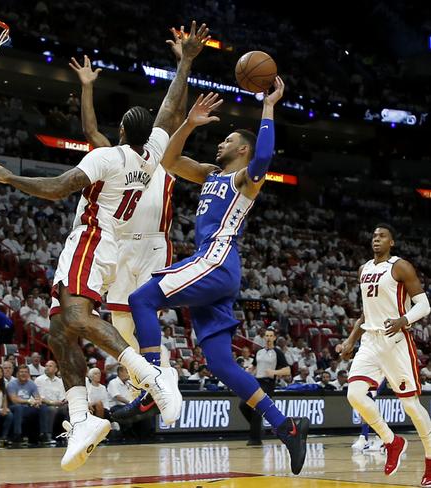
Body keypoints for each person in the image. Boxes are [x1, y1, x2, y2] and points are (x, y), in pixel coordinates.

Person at [0, 21, 211, 471]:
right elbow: (168, 108)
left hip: (98, 240)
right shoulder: (153, 150)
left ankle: (151, 375)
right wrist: (185, 62)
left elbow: (58, 188)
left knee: (80, 318)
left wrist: (10, 178)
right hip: (115, 245)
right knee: (60, 327)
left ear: (122, 130)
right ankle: (81, 418)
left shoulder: (108, 156)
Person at [124, 76, 308, 476]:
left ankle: (153, 386)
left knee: (142, 298)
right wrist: (188, 123)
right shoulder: (211, 174)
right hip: (216, 271)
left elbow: (263, 160)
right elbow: (169, 161)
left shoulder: (245, 180)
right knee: (222, 364)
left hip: (217, 262)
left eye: (226, 140)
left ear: (241, 149)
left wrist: (269, 105)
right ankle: (287, 426)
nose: (219, 143)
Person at [69, 35, 186, 419]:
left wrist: (185, 64)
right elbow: (91, 134)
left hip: (152, 244)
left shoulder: (162, 157)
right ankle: (148, 383)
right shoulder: (117, 159)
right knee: (121, 323)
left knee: (144, 313)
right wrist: (88, 89)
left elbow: (173, 111)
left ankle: (163, 376)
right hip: (118, 242)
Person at [340, 224, 431, 485]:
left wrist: (404, 320)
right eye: (374, 236)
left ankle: (430, 461)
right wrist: (350, 340)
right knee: (354, 394)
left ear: (392, 242)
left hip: (396, 341)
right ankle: (392, 441)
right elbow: (366, 314)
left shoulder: (400, 266)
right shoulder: (364, 270)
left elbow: (424, 305)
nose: (376, 239)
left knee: (411, 406)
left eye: (382, 236)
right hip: (370, 340)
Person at [7, 364, 48, 446]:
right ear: (17, 374)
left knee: (43, 407)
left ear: (28, 374)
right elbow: (14, 400)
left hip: (26, 407)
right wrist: (28, 401)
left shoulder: (31, 384)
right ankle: (17, 435)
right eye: (21, 372)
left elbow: (37, 397)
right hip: (13, 407)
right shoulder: (12, 384)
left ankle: (43, 434)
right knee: (19, 407)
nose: (23, 374)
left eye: (26, 372)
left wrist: (37, 402)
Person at [35, 360, 67, 445]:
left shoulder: (60, 381)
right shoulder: (39, 380)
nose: (47, 368)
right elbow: (40, 397)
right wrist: (52, 403)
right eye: (46, 366)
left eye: (50, 366)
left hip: (58, 405)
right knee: (51, 409)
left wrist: (62, 401)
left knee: (68, 408)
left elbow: (63, 396)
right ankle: (47, 435)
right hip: (44, 405)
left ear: (56, 369)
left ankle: (67, 435)